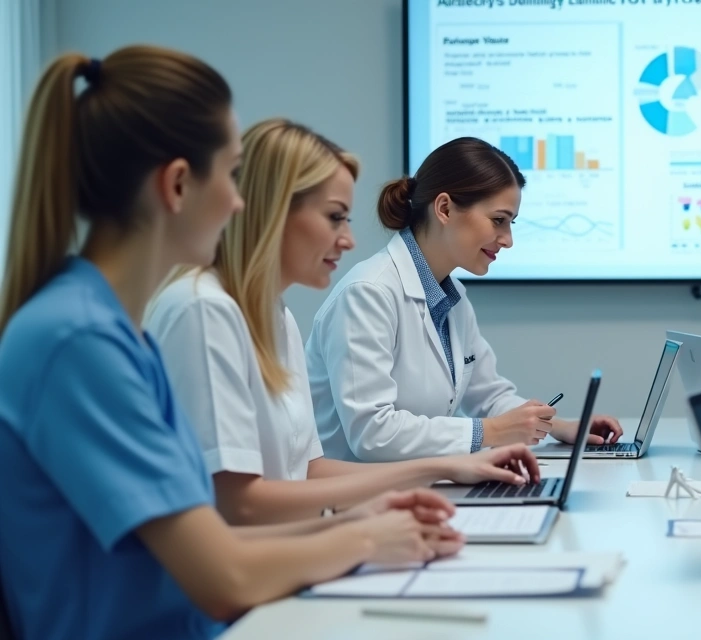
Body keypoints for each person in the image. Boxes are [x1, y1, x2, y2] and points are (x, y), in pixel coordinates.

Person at [0, 47, 462, 640]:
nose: (241, 202)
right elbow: (223, 577)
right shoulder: (80, 340)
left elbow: (214, 544)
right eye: (230, 174)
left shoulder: (106, 327)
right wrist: (366, 537)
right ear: (178, 184)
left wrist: (363, 520)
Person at [146, 119, 542, 526]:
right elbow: (237, 506)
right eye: (335, 217)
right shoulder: (204, 310)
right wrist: (363, 531)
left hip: (281, 542)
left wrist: (448, 469)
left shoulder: (275, 316)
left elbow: (309, 470)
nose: (349, 240)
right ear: (274, 210)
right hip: (236, 570)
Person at [306, 137, 622, 462]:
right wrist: (491, 431)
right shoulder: (368, 293)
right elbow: (373, 434)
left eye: (511, 224)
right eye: (498, 220)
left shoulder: (450, 296)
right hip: (353, 504)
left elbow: (488, 396)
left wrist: (560, 427)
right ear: (444, 209)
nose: (508, 240)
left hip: (416, 488)